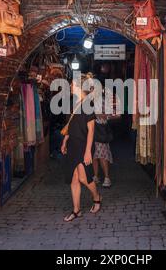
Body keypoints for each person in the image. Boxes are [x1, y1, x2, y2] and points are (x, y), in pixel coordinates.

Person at [61, 73, 102, 222]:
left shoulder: (88, 105)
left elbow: (91, 131)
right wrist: (65, 140)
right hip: (72, 144)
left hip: (83, 146)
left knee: (84, 178)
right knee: (74, 179)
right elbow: (71, 125)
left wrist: (87, 152)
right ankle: (76, 210)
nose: (71, 86)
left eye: (72, 84)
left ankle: (97, 198)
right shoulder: (77, 103)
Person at [92, 88, 120, 188]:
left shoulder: (103, 101)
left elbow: (117, 115)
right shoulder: (90, 101)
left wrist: (104, 116)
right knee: (94, 155)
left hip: (100, 130)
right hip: (92, 130)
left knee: (102, 154)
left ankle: (107, 178)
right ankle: (95, 176)